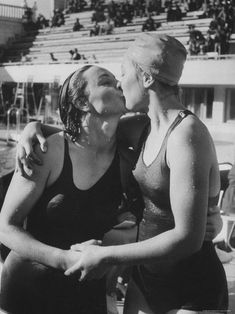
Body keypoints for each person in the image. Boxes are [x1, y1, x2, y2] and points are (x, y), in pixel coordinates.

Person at [16, 35, 227, 313]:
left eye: (124, 73)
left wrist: (104, 255)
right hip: (145, 282)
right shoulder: (143, 127)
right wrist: (35, 128)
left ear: (147, 78)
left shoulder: (187, 134)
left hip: (191, 285)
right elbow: (84, 134)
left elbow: (188, 238)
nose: (119, 82)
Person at [0, 65, 131, 314]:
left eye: (118, 80)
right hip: (27, 291)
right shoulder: (48, 152)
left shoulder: (125, 160)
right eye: (107, 81)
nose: (119, 85)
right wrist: (62, 259)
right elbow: (5, 227)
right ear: (82, 101)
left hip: (85, 292)